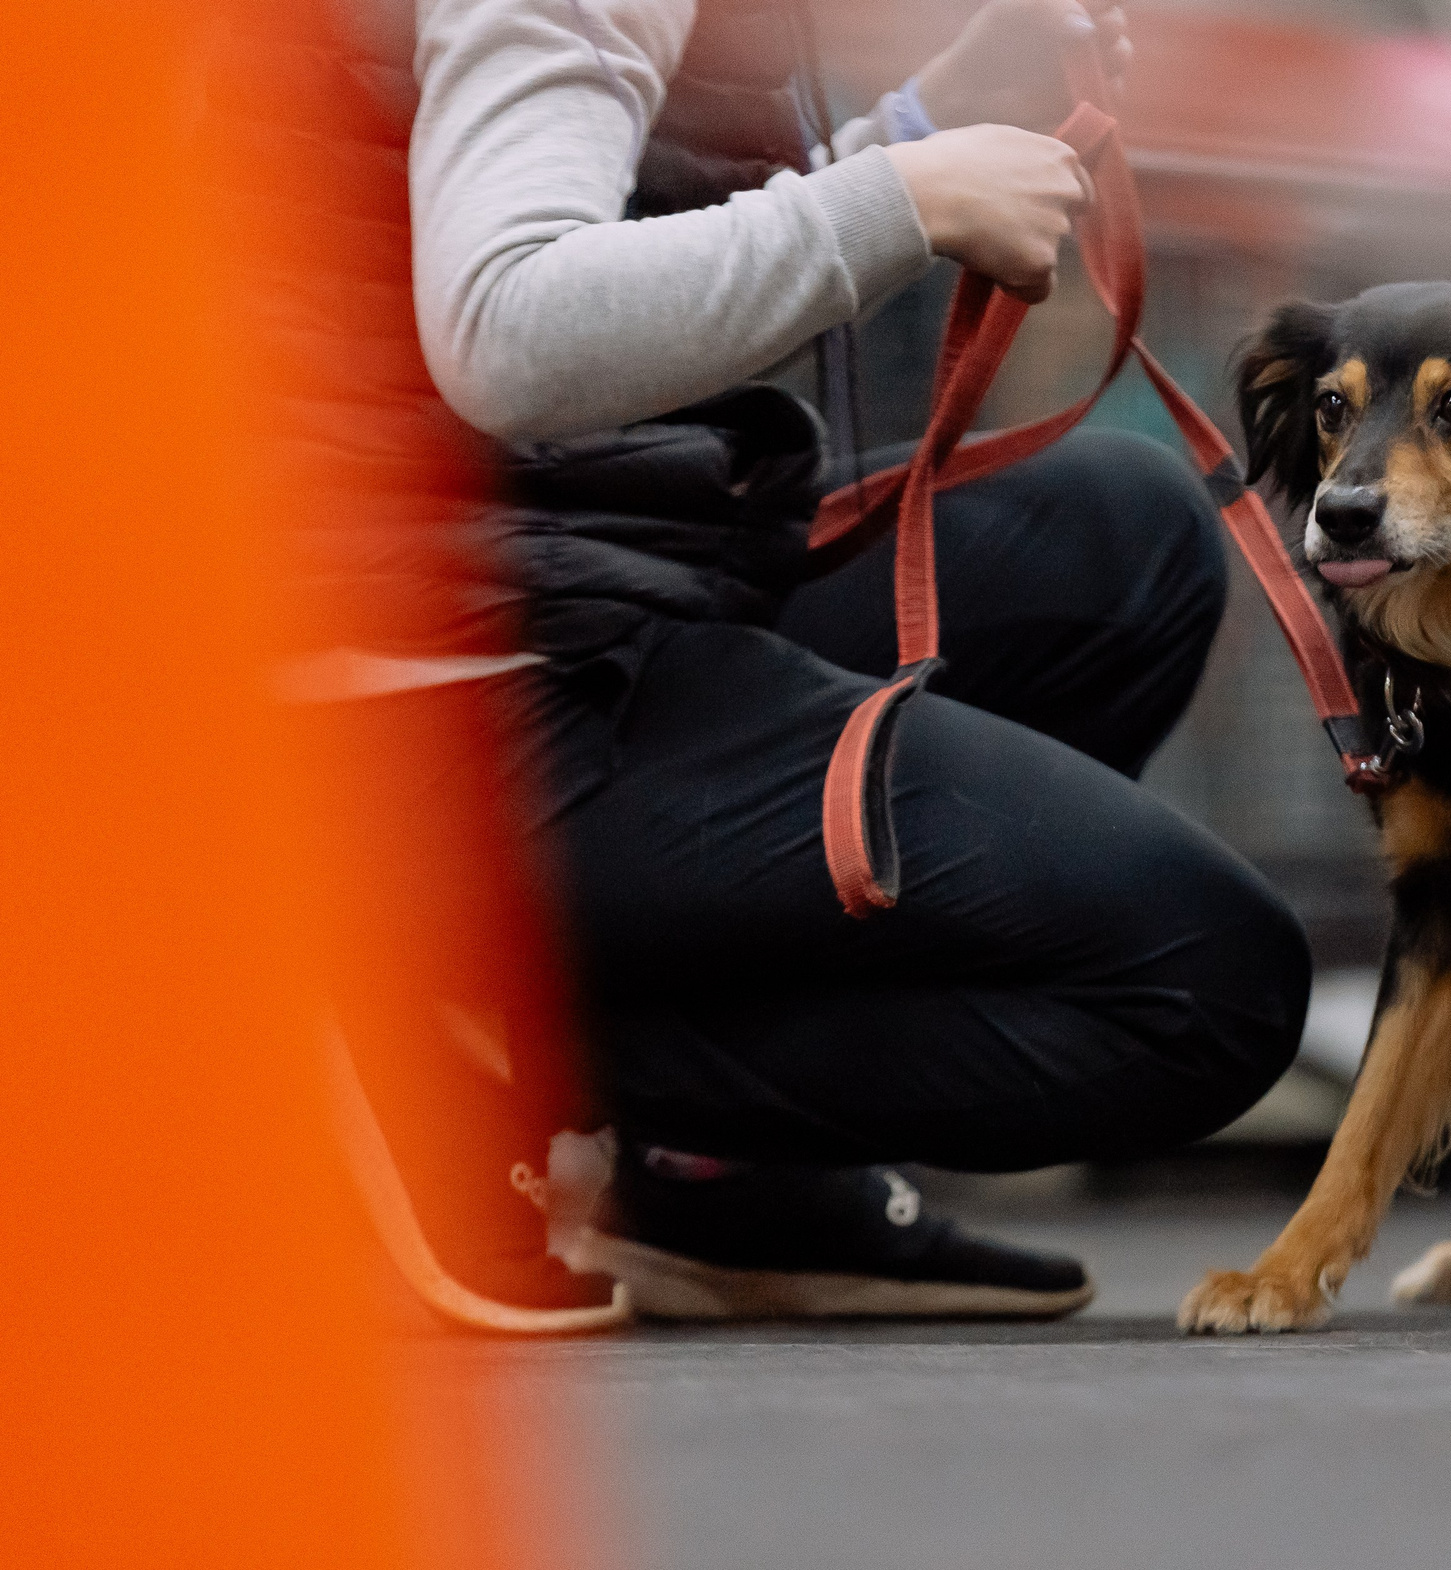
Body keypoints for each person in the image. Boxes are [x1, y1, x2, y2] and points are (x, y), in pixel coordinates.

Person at [267, 0, 1313, 1325]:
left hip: (575, 592)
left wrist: (929, 122)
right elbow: (510, 328)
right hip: (444, 703)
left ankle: (706, 1172)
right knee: (1208, 991)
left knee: (1124, 543)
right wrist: (907, 197)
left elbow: (640, 230)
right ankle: (488, 1042)